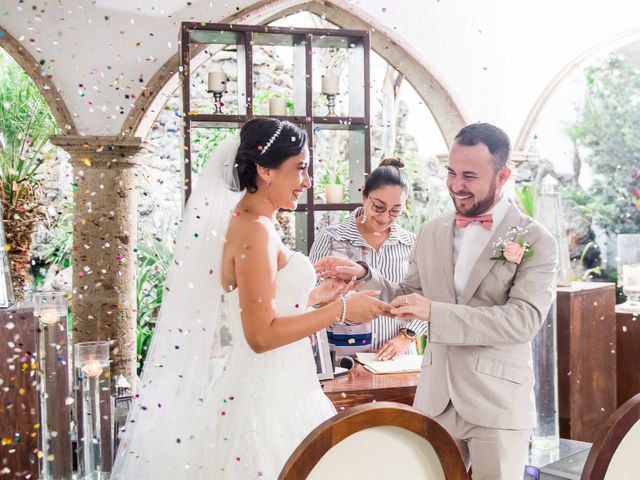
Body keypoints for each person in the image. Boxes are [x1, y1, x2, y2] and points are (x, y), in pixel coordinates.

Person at [112, 118, 391, 479]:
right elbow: (259, 336)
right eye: (300, 169)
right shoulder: (253, 230)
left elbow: (266, 305)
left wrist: (315, 297)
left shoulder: (259, 223)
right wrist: (340, 309)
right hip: (264, 399)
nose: (307, 182)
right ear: (264, 170)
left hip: (289, 386)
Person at [315, 123, 558, 480]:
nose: (456, 185)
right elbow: (407, 296)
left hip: (497, 404)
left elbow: (522, 321)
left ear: (503, 175)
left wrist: (435, 314)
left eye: (470, 176)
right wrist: (364, 272)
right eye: (451, 172)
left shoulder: (536, 239)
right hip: (435, 399)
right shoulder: (431, 231)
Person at [309, 158, 425, 361]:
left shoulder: (412, 244)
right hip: (342, 359)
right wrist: (340, 300)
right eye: (378, 207)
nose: (385, 217)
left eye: (395, 210)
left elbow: (426, 299)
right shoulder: (331, 238)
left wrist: (404, 338)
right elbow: (310, 299)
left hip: (398, 361)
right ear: (364, 194)